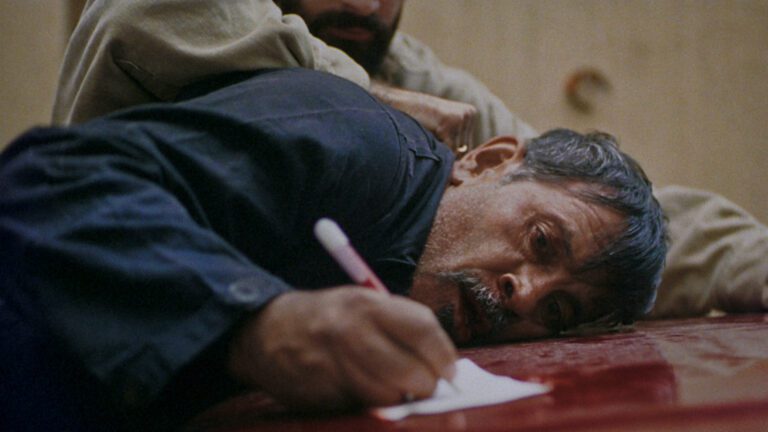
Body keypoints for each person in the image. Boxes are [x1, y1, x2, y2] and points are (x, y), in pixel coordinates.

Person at [0, 68, 666, 429]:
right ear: (485, 161)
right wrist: (258, 324)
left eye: (557, 312)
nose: (526, 295)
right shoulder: (359, 144)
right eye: (541, 241)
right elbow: (45, 181)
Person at [51, 0, 768, 319]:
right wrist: (361, 96)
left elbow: (588, 214)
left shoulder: (421, 81)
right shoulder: (200, 17)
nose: (365, 4)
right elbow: (133, 13)